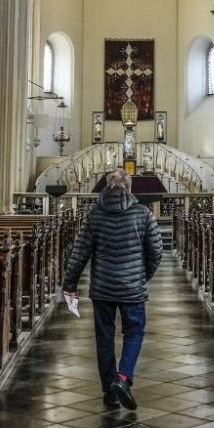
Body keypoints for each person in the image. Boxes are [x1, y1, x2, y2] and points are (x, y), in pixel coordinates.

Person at [62, 169, 163, 410]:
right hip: (132, 287)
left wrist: (70, 285)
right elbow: (156, 250)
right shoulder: (143, 213)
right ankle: (123, 378)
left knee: (104, 337)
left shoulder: (94, 215)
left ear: (106, 186)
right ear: (129, 187)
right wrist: (142, 275)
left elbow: (80, 252)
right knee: (134, 333)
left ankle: (109, 389)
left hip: (102, 287)